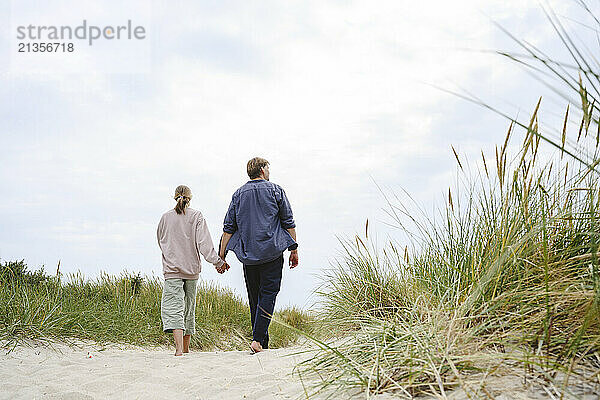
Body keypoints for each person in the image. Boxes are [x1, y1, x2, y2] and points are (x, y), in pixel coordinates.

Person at [219, 157, 299, 353]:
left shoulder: (238, 194)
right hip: (272, 252)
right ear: (262, 170)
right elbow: (288, 222)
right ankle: (257, 340)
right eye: (268, 168)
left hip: (249, 255)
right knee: (268, 294)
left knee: (255, 297)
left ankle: (262, 342)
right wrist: (294, 249)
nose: (269, 172)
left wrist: (221, 256)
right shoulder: (275, 190)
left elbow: (228, 229)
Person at [157, 185, 229, 356]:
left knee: (174, 307)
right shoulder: (196, 216)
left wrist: (171, 255)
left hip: (172, 270)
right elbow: (204, 244)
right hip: (191, 270)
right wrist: (217, 262)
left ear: (174, 197)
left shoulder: (165, 217)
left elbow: (161, 241)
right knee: (188, 308)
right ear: (190, 198)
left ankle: (179, 350)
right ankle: (186, 348)